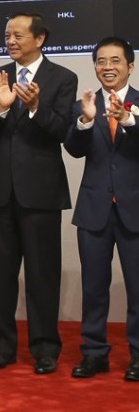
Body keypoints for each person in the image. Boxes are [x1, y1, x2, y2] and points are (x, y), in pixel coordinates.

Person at [0, 12, 77, 375]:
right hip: (2, 190)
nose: (11, 41)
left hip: (41, 191)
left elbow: (63, 132)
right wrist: (2, 108)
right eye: (7, 35)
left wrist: (36, 107)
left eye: (18, 35)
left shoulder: (62, 78)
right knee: (1, 276)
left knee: (42, 274)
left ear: (40, 38)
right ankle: (3, 348)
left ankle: (45, 349)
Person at [64, 36, 139, 382]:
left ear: (130, 65)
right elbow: (75, 150)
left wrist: (128, 122)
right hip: (94, 209)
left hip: (134, 209)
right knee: (94, 287)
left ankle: (137, 356)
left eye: (115, 61)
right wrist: (85, 121)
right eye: (100, 62)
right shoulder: (86, 103)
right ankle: (94, 353)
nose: (107, 67)